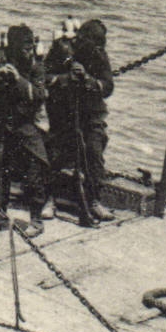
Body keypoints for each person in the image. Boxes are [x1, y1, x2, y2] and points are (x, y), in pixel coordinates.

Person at [0, 23, 50, 239]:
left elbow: (38, 94)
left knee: (36, 168)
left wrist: (18, 79)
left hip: (25, 124)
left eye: (30, 47)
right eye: (24, 48)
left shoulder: (35, 66)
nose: (28, 51)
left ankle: (36, 220)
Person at [45, 18, 117, 224]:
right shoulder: (61, 50)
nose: (96, 49)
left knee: (94, 152)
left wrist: (89, 81)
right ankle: (49, 199)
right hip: (63, 112)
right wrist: (65, 78)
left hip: (91, 114)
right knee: (56, 154)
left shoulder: (99, 56)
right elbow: (44, 76)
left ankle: (94, 200)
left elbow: (108, 86)